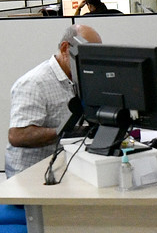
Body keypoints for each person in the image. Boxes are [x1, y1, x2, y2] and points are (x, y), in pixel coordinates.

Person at [7, 22, 101, 174]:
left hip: (66, 162)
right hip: (32, 173)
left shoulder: (78, 77)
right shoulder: (34, 83)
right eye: (87, 55)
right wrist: (70, 131)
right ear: (65, 49)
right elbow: (18, 136)